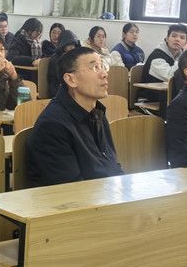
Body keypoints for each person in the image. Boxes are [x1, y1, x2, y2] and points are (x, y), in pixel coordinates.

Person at [26, 47, 123, 187]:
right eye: (95, 68)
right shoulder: (52, 126)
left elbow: (111, 166)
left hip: (106, 193)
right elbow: (72, 189)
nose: (104, 74)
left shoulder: (97, 113)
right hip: (78, 197)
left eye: (103, 66)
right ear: (71, 79)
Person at [140, 23, 187, 101]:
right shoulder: (156, 56)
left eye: (182, 37)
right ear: (167, 38)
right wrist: (183, 58)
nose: (177, 39)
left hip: (169, 96)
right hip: (150, 99)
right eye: (174, 36)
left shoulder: (180, 55)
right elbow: (170, 77)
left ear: (186, 43)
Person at [47, 30, 80, 97]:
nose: (72, 47)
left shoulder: (75, 57)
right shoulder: (56, 58)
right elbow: (57, 80)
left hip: (73, 87)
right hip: (58, 90)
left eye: (73, 45)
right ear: (63, 44)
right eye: (69, 44)